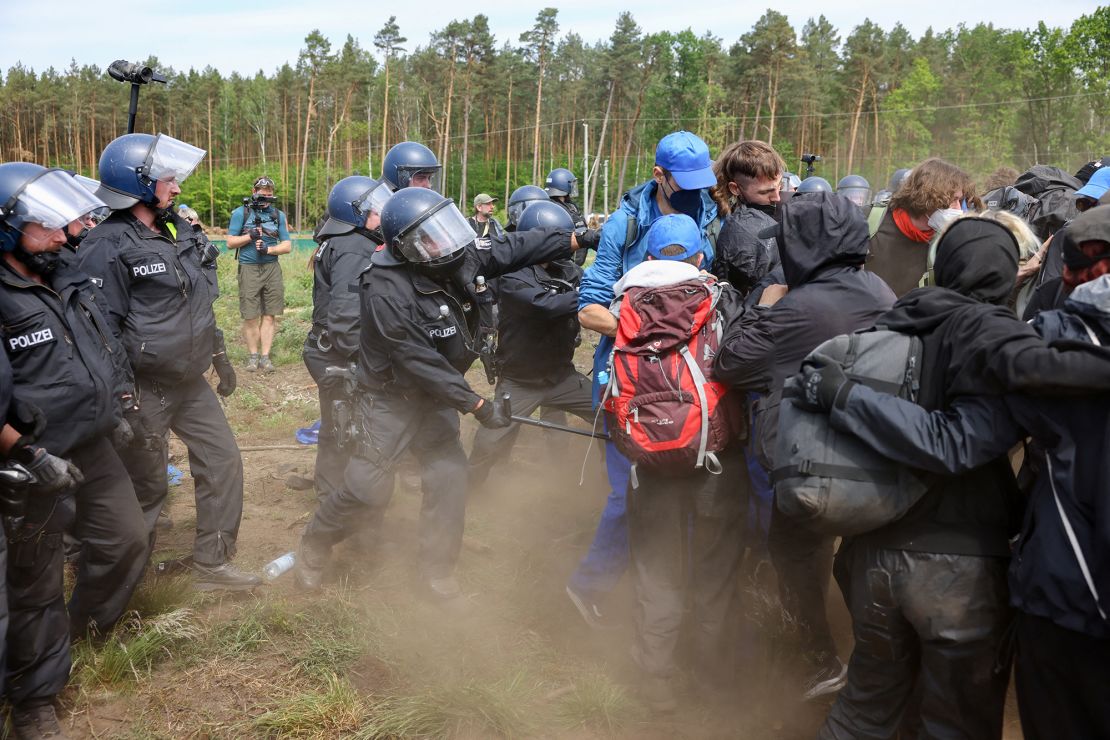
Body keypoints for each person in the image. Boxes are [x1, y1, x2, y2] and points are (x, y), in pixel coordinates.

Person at [795, 210, 1110, 739]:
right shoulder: (1000, 340)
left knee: (865, 710)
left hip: (870, 552)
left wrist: (844, 396)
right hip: (959, 568)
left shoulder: (889, 322)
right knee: (953, 724)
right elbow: (957, 441)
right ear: (1007, 272)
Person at [294, 187, 588, 599]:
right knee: (366, 488)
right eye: (430, 236)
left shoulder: (452, 256)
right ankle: (316, 542)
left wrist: (576, 238)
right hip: (390, 399)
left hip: (435, 399)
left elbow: (514, 247)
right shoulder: (383, 288)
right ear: (405, 245)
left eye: (444, 230)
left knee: (449, 479)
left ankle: (437, 573)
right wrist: (478, 404)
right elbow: (417, 360)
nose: (444, 242)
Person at [714, 191, 896, 700]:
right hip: (879, 454)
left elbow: (728, 363)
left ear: (807, 247)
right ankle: (882, 660)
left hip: (812, 463)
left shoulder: (794, 310)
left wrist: (760, 306)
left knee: (794, 550)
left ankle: (818, 661)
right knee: (861, 557)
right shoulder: (880, 290)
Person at [0, 162, 149, 739]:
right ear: (8, 228)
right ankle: (35, 699)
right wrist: (31, 457)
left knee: (126, 539)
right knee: (33, 582)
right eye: (47, 227)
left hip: (92, 442)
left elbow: (102, 347)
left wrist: (119, 409)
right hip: (31, 459)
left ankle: (85, 628)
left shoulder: (62, 273)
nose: (64, 235)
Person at [78, 132, 258, 591]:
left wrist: (219, 355)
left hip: (189, 379)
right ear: (138, 184)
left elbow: (197, 303)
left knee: (222, 462)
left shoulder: (173, 230)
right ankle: (121, 586)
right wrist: (122, 395)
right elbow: (101, 329)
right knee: (145, 488)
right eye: (168, 179)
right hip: (142, 385)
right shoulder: (107, 243)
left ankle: (212, 565)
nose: (176, 188)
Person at [571, 130, 721, 628]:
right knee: (627, 487)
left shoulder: (712, 214)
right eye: (687, 181)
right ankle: (589, 588)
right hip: (629, 374)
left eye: (705, 181)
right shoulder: (626, 224)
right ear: (659, 174)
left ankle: (678, 591)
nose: (698, 191)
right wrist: (651, 332)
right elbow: (589, 307)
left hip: (692, 375)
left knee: (697, 479)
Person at [607, 213, 748, 712]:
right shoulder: (721, 297)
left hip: (650, 460)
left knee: (657, 569)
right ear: (700, 256)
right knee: (716, 572)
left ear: (647, 257)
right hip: (715, 459)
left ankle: (655, 681)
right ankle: (713, 683)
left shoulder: (625, 303)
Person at [467, 200, 594, 487]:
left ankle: (612, 479)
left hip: (562, 377)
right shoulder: (511, 273)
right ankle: (469, 489)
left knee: (609, 417)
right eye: (557, 240)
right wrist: (590, 298)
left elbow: (588, 284)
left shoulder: (567, 270)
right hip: (520, 382)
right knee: (490, 441)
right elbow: (544, 305)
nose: (566, 247)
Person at [304, 175, 393, 502]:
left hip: (327, 349)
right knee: (345, 427)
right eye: (375, 210)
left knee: (336, 424)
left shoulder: (342, 240)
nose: (382, 215)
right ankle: (337, 498)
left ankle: (331, 491)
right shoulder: (355, 246)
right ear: (356, 214)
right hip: (337, 353)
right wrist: (363, 360)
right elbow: (344, 314)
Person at [868, 158, 979, 297]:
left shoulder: (945, 242)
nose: (958, 208)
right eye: (953, 200)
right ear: (930, 197)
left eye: (960, 201)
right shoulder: (869, 222)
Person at [226, 176, 292, 373]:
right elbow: (230, 242)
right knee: (250, 315)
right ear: (253, 191)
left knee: (270, 314)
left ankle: (265, 357)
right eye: (262, 194)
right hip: (249, 268)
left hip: (272, 268)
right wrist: (250, 236)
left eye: (269, 194)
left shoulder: (278, 215)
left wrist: (269, 250)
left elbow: (287, 245)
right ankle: (253, 356)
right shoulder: (241, 213)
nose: (265, 197)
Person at [710, 140, 784, 297]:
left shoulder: (784, 206)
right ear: (735, 188)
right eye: (765, 192)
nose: (777, 197)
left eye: (780, 186)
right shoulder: (725, 224)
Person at [545, 168, 588, 265]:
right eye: (572, 184)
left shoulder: (569, 206)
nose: (573, 187)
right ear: (563, 185)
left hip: (572, 263)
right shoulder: (554, 208)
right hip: (563, 263)